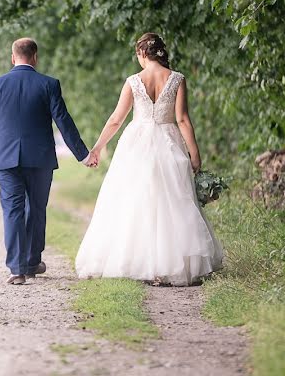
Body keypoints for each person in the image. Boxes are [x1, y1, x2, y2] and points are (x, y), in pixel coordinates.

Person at [75, 33, 223, 285]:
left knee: (135, 200)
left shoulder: (134, 81)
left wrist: (98, 147)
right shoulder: (176, 79)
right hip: (169, 142)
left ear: (142, 53)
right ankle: (170, 264)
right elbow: (183, 119)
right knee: (173, 201)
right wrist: (195, 154)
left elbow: (116, 119)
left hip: (137, 144)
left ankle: (137, 261)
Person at [0, 37, 98, 285]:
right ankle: (33, 261)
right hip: (40, 158)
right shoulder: (49, 84)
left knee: (12, 210)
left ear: (13, 57)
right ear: (35, 57)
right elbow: (63, 121)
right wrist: (83, 154)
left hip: (6, 160)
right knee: (36, 208)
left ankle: (17, 269)